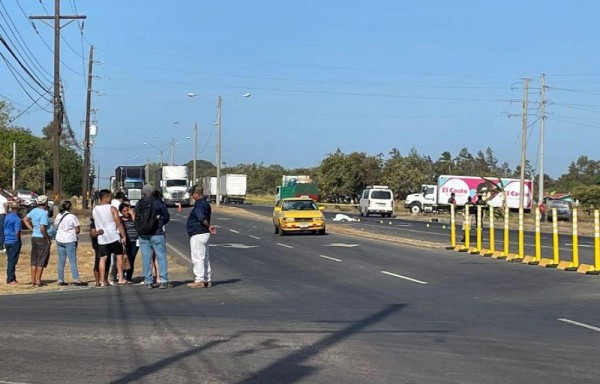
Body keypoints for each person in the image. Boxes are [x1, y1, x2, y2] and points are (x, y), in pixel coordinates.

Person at [136, 184, 170, 289]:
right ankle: (163, 280)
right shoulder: (158, 203)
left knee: (146, 257)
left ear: (143, 193)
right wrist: (160, 223)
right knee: (161, 256)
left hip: (143, 234)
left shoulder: (139, 204)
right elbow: (167, 217)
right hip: (157, 233)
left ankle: (148, 281)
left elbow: (136, 216)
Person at [92, 189, 127, 287]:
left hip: (102, 238)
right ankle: (120, 278)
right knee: (119, 256)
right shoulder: (112, 209)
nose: (111, 198)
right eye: (110, 196)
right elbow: (118, 223)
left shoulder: (95, 209)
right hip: (113, 236)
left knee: (102, 259)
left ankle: (103, 280)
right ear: (105, 197)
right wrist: (123, 236)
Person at [186, 185, 217, 288]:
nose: (191, 196)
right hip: (203, 233)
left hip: (198, 233)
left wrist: (209, 226)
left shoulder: (199, 205)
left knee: (198, 257)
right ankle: (207, 278)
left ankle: (199, 280)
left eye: (192, 194)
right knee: (205, 257)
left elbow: (201, 218)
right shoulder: (205, 203)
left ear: (197, 194)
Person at [22, 195, 52, 287]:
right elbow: (42, 228)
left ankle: (33, 280)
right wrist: (48, 239)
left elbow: (25, 219)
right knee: (41, 260)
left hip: (34, 236)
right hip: (41, 238)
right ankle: (38, 280)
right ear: (46, 203)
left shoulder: (34, 211)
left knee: (34, 259)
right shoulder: (44, 213)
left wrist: (32, 228)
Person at [55, 200, 86, 286]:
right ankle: (76, 279)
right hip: (70, 240)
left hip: (60, 239)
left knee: (61, 260)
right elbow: (77, 229)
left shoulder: (58, 216)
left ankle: (60, 279)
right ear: (70, 207)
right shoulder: (72, 217)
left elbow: (55, 226)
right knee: (72, 260)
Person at [119, 202, 139, 283]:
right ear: (121, 212)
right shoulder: (120, 220)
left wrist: (133, 215)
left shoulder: (134, 217)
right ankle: (122, 275)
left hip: (135, 241)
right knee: (125, 258)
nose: (126, 212)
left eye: (127, 210)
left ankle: (129, 277)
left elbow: (138, 225)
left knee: (132, 258)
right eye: (124, 211)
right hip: (126, 242)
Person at [4, 201, 22, 285]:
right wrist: (17, 239)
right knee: (12, 260)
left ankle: (13, 277)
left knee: (10, 259)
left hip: (7, 240)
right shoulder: (17, 219)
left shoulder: (7, 216)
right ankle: (10, 278)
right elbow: (17, 232)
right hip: (14, 241)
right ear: (18, 209)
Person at [0, 185, 8, 253]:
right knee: (1, 232)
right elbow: (6, 207)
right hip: (1, 215)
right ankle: (1, 247)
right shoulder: (3, 198)